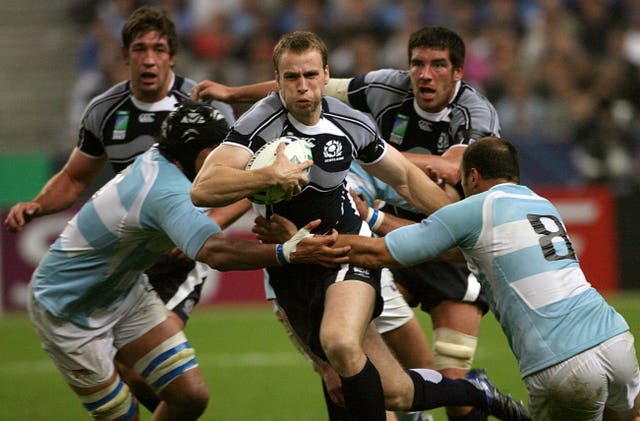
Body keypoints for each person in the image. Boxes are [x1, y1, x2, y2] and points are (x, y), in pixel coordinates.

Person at [190, 30, 530, 421]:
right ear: (278, 80)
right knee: (392, 392)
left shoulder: (349, 122)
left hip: (346, 251)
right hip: (293, 268)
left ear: (325, 75)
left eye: (310, 75)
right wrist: (266, 178)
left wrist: (462, 225)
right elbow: (203, 189)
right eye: (291, 78)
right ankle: (476, 390)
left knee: (339, 342)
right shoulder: (258, 124)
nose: (302, 87)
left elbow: (403, 178)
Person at [26, 101, 350, 420]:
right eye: (217, 150)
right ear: (197, 152)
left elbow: (236, 191)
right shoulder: (164, 190)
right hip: (66, 306)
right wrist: (288, 251)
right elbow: (215, 252)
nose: (223, 160)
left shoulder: (165, 165)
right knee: (122, 415)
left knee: (189, 397)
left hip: (124, 293)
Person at [3, 5, 239, 411]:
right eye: (140, 49)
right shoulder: (105, 110)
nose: (149, 58)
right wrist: (37, 205)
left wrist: (205, 224)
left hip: (177, 257)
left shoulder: (202, 109)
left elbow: (236, 185)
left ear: (172, 56)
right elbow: (75, 178)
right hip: (131, 255)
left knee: (149, 376)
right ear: (125, 54)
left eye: (159, 49)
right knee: (147, 380)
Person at [333, 136, 640, 421]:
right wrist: (374, 217)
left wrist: (308, 244)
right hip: (614, 341)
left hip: (561, 360)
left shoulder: (477, 207)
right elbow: (456, 252)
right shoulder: (541, 204)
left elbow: (379, 254)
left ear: (473, 177)